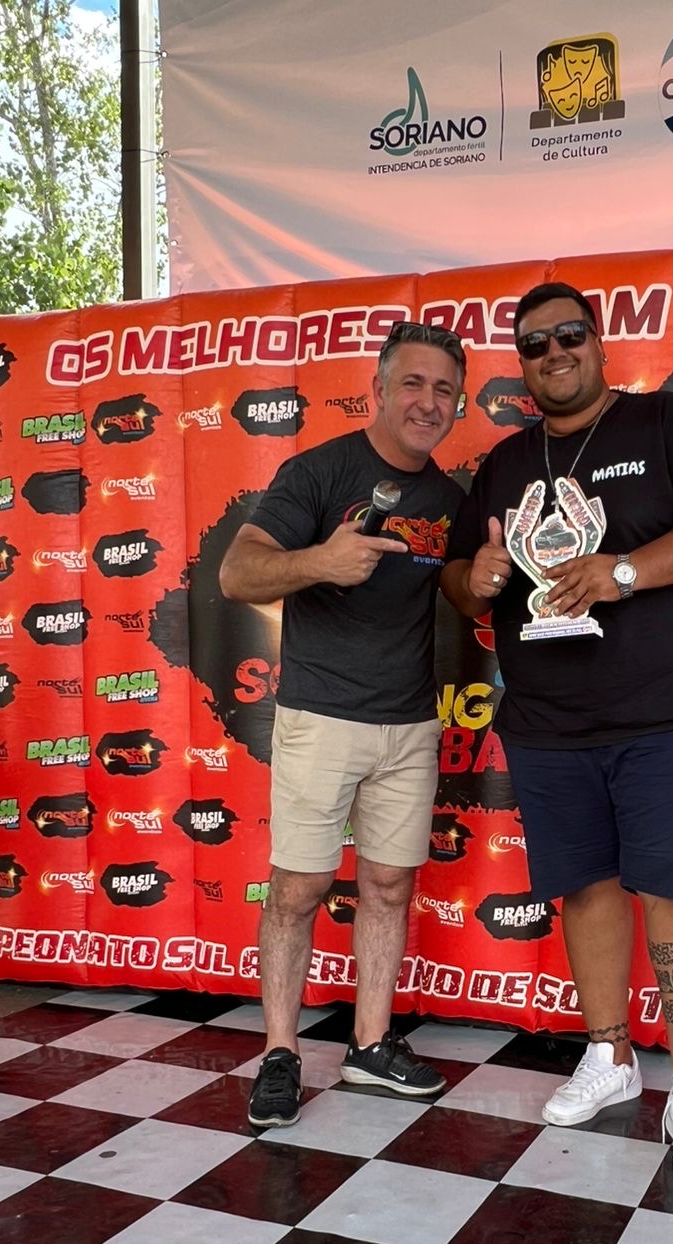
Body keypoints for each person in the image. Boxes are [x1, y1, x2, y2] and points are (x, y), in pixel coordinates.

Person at [441, 283, 673, 1191]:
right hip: (551, 721)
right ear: (521, 361)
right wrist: (478, 576)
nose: (554, 353)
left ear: (599, 342)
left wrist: (623, 571)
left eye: (569, 335)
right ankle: (610, 1055)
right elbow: (460, 583)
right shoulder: (506, 464)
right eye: (534, 343)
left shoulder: (667, 423)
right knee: (583, 889)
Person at [220, 321, 466, 1129]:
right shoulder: (319, 470)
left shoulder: (449, 500)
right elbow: (237, 572)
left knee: (389, 886)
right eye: (413, 383)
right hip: (321, 717)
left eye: (444, 390)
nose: (427, 402)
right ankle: (279, 1053)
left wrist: (491, 575)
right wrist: (319, 562)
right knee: (298, 890)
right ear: (379, 389)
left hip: (410, 723)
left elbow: (468, 588)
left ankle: (369, 1045)